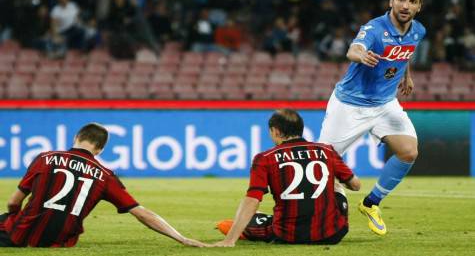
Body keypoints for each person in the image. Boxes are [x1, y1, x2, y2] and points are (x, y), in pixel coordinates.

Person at [318, 0, 426, 236]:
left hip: (385, 104)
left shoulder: (418, 30)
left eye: (412, 1)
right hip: (350, 105)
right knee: (321, 164)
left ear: (419, 7)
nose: (405, 5)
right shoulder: (375, 28)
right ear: (391, 1)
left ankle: (371, 203)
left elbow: (406, 51)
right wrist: (360, 55)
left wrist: (405, 75)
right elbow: (354, 49)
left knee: (409, 152)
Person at [0, 123, 207, 248]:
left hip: (20, 233)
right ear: (99, 150)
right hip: (60, 240)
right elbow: (142, 213)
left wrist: (16, 220)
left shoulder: (44, 158)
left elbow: (13, 202)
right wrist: (181, 238)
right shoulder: (106, 176)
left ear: (76, 138)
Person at [214, 109, 361, 247]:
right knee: (336, 185)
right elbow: (356, 185)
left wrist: (229, 240)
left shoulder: (265, 158)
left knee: (249, 220)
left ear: (276, 131)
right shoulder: (327, 150)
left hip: (287, 235)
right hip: (332, 234)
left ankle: (259, 222)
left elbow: (252, 200)